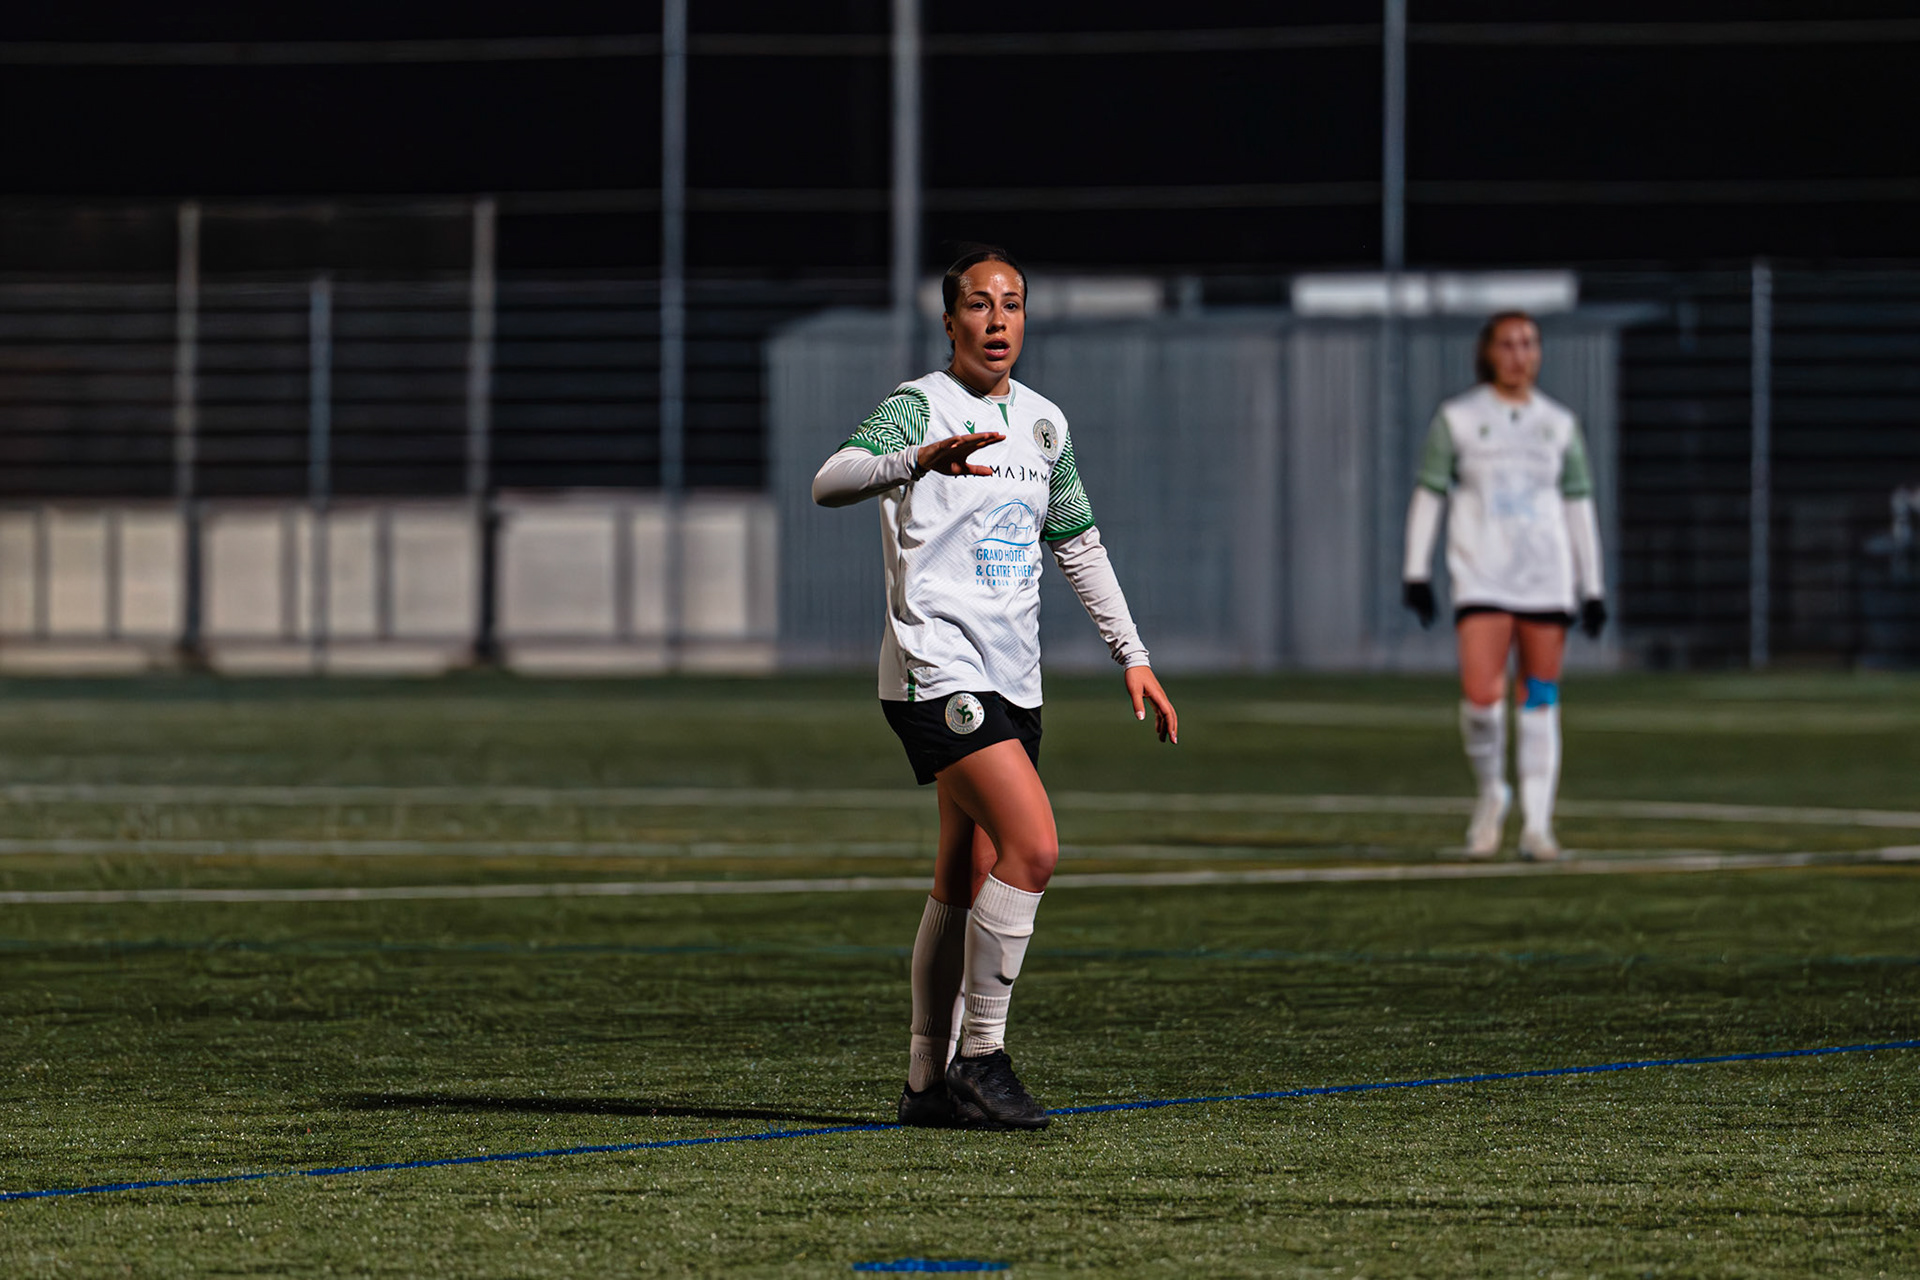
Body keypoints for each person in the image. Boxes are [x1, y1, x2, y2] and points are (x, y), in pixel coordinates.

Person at [812, 246, 1177, 1130]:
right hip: (934, 668)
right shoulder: (916, 409)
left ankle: (924, 1085)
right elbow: (830, 481)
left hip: (1014, 675)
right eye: (979, 304)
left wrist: (1133, 654)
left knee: (964, 876)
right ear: (950, 322)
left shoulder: (1045, 425)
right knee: (1036, 846)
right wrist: (917, 461)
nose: (998, 318)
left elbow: (1078, 543)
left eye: (1012, 303)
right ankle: (982, 1056)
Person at [1401, 311, 1607, 861]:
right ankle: (1493, 793)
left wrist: (1593, 586)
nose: (1521, 354)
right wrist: (1415, 570)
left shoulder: (1558, 424)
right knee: (1482, 699)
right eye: (1509, 344)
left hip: (1546, 577)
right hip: (1482, 576)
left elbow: (1578, 503)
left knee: (1539, 699)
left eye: (1530, 343)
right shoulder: (1459, 419)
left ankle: (1538, 826)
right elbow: (1430, 492)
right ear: (1488, 351)